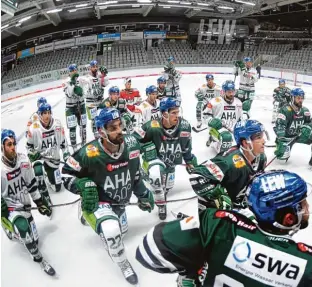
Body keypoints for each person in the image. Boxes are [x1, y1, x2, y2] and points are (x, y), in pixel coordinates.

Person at [136, 170, 312, 287]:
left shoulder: (220, 225)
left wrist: (194, 269)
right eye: (303, 203)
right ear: (288, 218)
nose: (306, 208)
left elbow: (147, 250)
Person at [62, 108, 155, 285]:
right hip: (101, 202)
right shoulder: (89, 153)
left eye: (120, 125)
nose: (119, 130)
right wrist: (80, 185)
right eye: (113, 128)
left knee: (122, 232)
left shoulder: (132, 145)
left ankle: (99, 222)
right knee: (112, 232)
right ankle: (123, 263)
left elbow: (135, 175)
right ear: (101, 131)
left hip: (120, 202)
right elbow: (65, 174)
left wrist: (143, 194)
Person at [1, 129, 55, 276]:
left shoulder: (23, 161)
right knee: (23, 228)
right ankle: (39, 259)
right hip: (10, 207)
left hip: (25, 205)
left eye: (14, 144)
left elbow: (31, 185)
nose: (12, 147)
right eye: (8, 144)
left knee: (34, 240)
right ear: (2, 147)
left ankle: (16, 231)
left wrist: (39, 202)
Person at [133, 97, 197, 219]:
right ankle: (161, 203)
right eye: (173, 113)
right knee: (157, 178)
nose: (177, 116)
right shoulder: (152, 126)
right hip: (154, 161)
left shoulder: (184, 126)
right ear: (164, 114)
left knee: (167, 187)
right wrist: (145, 147)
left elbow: (186, 146)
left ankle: (146, 176)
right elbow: (131, 142)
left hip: (170, 164)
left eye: (178, 112)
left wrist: (189, 161)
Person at [189, 119, 267, 211]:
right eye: (258, 137)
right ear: (245, 142)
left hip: (239, 209)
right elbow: (196, 176)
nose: (264, 141)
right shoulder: (229, 161)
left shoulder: (261, 158)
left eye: (262, 136)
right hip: (216, 214)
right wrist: (218, 197)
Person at [26, 103, 68, 216]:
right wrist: (33, 154)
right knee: (38, 172)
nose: (47, 115)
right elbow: (28, 147)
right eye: (44, 113)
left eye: (49, 112)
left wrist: (67, 155)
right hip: (40, 158)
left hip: (53, 158)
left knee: (57, 187)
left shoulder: (58, 124)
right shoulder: (33, 129)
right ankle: (44, 198)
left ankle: (49, 179)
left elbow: (63, 142)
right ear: (39, 114)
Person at [274, 88, 312, 171]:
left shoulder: (305, 111)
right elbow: (280, 126)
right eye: (298, 98)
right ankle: (278, 145)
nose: (300, 100)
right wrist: (281, 140)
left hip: (300, 135)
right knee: (281, 161)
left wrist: (306, 128)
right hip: (287, 138)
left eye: (302, 98)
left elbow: (310, 122)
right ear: (292, 98)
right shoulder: (285, 110)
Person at [202, 80, 244, 154]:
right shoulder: (215, 102)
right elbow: (205, 115)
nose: (231, 94)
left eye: (232, 91)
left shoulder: (238, 103)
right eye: (229, 92)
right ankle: (222, 155)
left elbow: (240, 119)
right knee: (227, 138)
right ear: (224, 92)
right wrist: (211, 121)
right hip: (217, 129)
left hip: (232, 130)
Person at [63, 64, 87, 151]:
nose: (74, 71)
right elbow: (69, 94)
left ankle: (84, 144)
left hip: (81, 105)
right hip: (70, 108)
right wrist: (72, 83)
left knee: (83, 126)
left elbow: (86, 92)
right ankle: (74, 149)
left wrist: (82, 94)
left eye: (75, 70)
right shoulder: (66, 82)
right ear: (69, 72)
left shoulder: (81, 80)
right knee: (72, 128)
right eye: (72, 70)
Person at [84, 60, 109, 138]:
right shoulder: (87, 78)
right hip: (91, 102)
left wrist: (104, 76)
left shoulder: (99, 75)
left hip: (100, 101)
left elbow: (105, 84)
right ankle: (95, 134)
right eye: (93, 67)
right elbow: (85, 92)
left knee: (102, 116)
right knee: (94, 119)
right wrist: (93, 92)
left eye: (96, 66)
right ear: (90, 68)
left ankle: (104, 131)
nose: (95, 68)